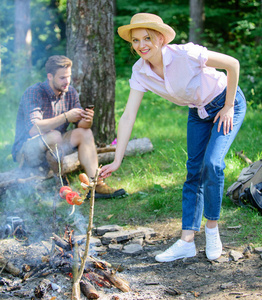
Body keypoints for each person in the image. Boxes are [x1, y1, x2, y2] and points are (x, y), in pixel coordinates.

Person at [100, 13, 246, 260]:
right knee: (193, 171)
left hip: (225, 102)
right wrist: (117, 159)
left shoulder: (185, 54)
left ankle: (212, 229)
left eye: (147, 38)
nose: (141, 45)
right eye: (135, 40)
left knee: (213, 164)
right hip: (198, 112)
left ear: (160, 38)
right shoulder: (140, 72)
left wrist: (229, 105)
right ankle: (187, 241)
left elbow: (232, 64)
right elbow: (127, 117)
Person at [12, 55, 126, 199]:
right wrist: (66, 117)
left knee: (84, 133)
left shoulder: (70, 92)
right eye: (62, 78)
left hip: (56, 148)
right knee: (54, 135)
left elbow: (81, 125)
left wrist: (87, 120)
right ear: (50, 76)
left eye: (69, 77)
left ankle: (96, 185)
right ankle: (61, 183)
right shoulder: (34, 92)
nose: (67, 82)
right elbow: (33, 129)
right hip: (27, 150)